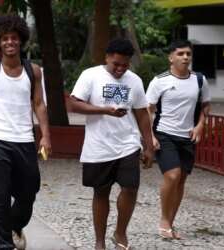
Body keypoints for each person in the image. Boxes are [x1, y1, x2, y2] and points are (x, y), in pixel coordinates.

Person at [0, 14, 51, 250]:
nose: (10, 42)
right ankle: (4, 244)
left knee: (30, 190)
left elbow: (39, 104)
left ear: (21, 40)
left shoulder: (33, 70)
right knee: (0, 195)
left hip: (24, 140)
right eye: (5, 38)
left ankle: (14, 225)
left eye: (14, 38)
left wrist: (46, 135)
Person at [69, 38, 154, 250]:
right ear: (107, 57)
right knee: (101, 192)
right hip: (99, 146)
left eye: (124, 65)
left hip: (128, 143)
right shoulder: (90, 75)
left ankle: (121, 233)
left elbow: (142, 113)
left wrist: (149, 145)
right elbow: (74, 104)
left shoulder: (134, 80)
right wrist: (104, 110)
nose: (120, 69)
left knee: (131, 187)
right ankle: (100, 241)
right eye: (116, 64)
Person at [146, 40, 210, 240]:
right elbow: (147, 110)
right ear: (171, 57)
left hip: (187, 137)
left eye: (188, 54)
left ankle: (170, 224)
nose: (185, 57)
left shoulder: (199, 80)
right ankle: (164, 221)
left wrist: (200, 125)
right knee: (172, 175)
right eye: (181, 53)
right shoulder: (160, 80)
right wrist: (151, 136)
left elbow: (205, 105)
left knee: (181, 180)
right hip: (165, 134)